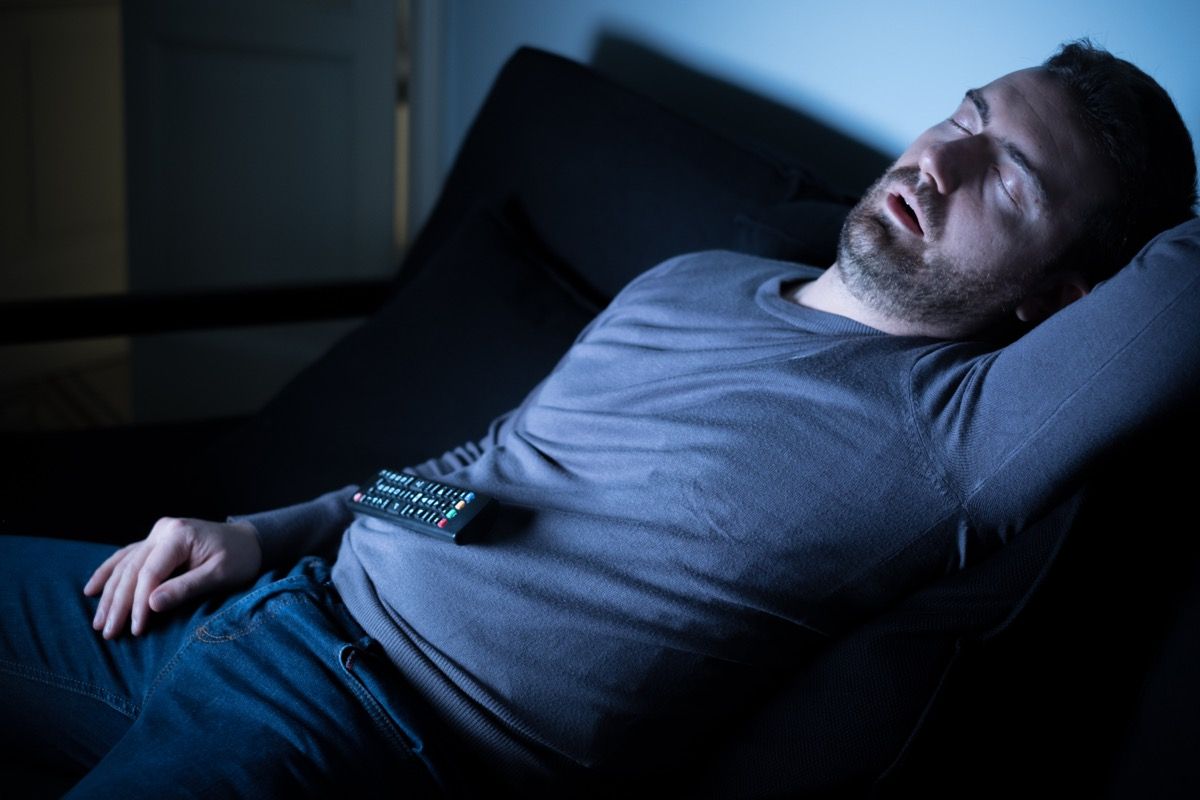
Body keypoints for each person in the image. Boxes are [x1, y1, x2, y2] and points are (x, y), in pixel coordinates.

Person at [2, 40, 1197, 797]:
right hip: (269, 608)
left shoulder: (959, 435)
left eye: (1010, 178)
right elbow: (479, 473)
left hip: (360, 726)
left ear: (1061, 300)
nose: (943, 159)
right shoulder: (692, 279)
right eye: (965, 114)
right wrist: (263, 532)